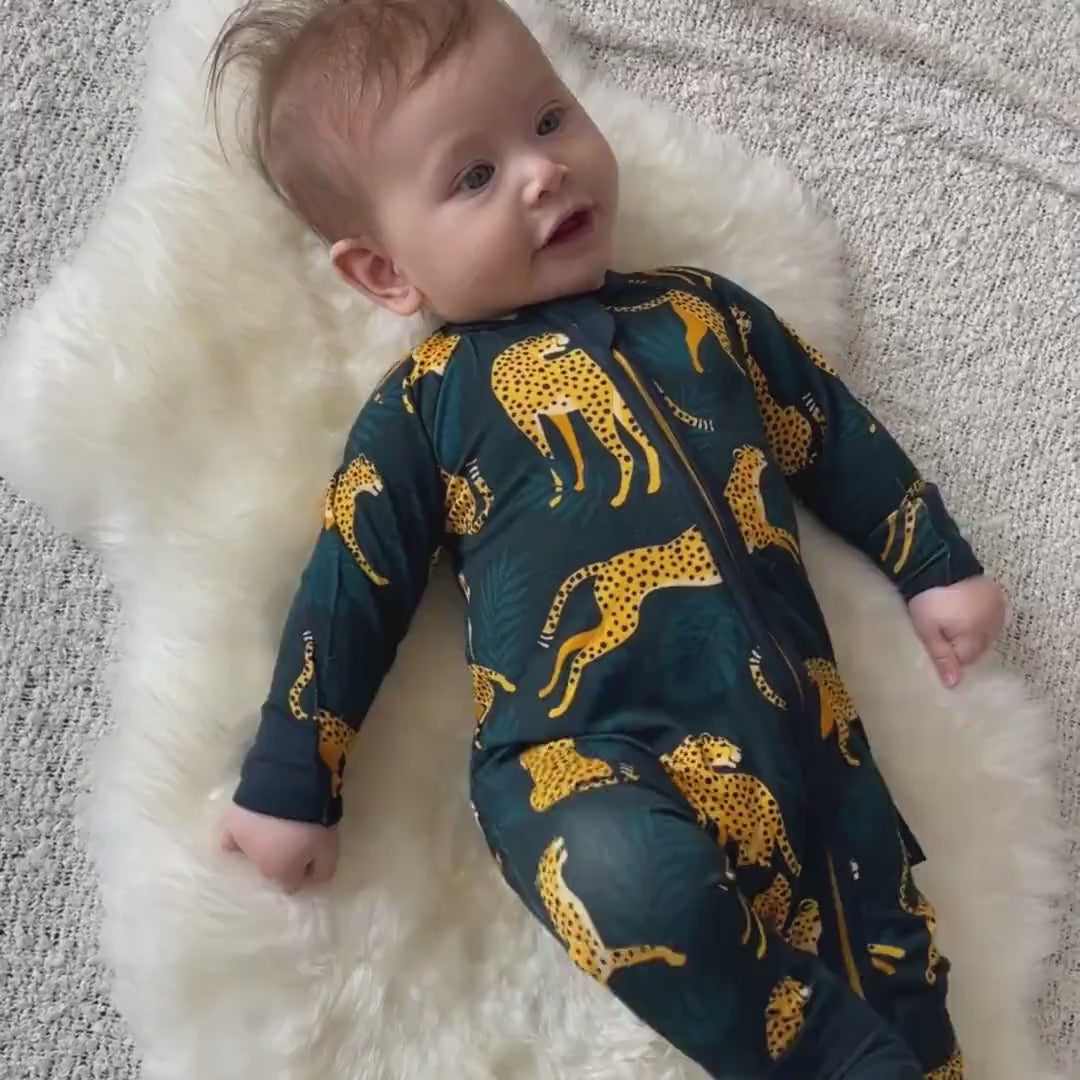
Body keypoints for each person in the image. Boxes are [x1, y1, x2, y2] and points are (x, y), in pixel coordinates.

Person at [208, 1, 1004, 1075]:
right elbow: (349, 586)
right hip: (582, 763)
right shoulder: (429, 406)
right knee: (628, 887)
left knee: (896, 967)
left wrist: (933, 562)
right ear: (387, 273)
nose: (543, 173)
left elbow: (828, 428)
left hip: (809, 750)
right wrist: (291, 779)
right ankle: (812, 1054)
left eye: (549, 119)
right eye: (474, 176)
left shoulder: (705, 315)